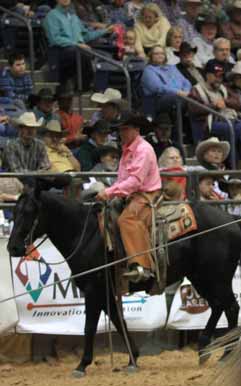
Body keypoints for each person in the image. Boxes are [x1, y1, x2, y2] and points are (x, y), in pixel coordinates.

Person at [95, 111, 162, 283]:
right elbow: (124, 178)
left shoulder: (143, 150)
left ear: (136, 129)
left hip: (146, 194)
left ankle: (142, 266)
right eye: (120, 130)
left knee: (127, 219)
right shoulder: (128, 149)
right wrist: (114, 192)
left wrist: (109, 192)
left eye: (125, 129)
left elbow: (135, 181)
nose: (121, 133)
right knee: (105, 213)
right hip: (131, 193)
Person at [43, 0, 113, 89]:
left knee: (106, 56)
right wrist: (77, 44)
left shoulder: (73, 16)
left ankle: (102, 88)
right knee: (81, 52)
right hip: (60, 52)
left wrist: (106, 30)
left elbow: (85, 36)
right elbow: (55, 39)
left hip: (78, 49)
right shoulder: (51, 15)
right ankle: (85, 87)